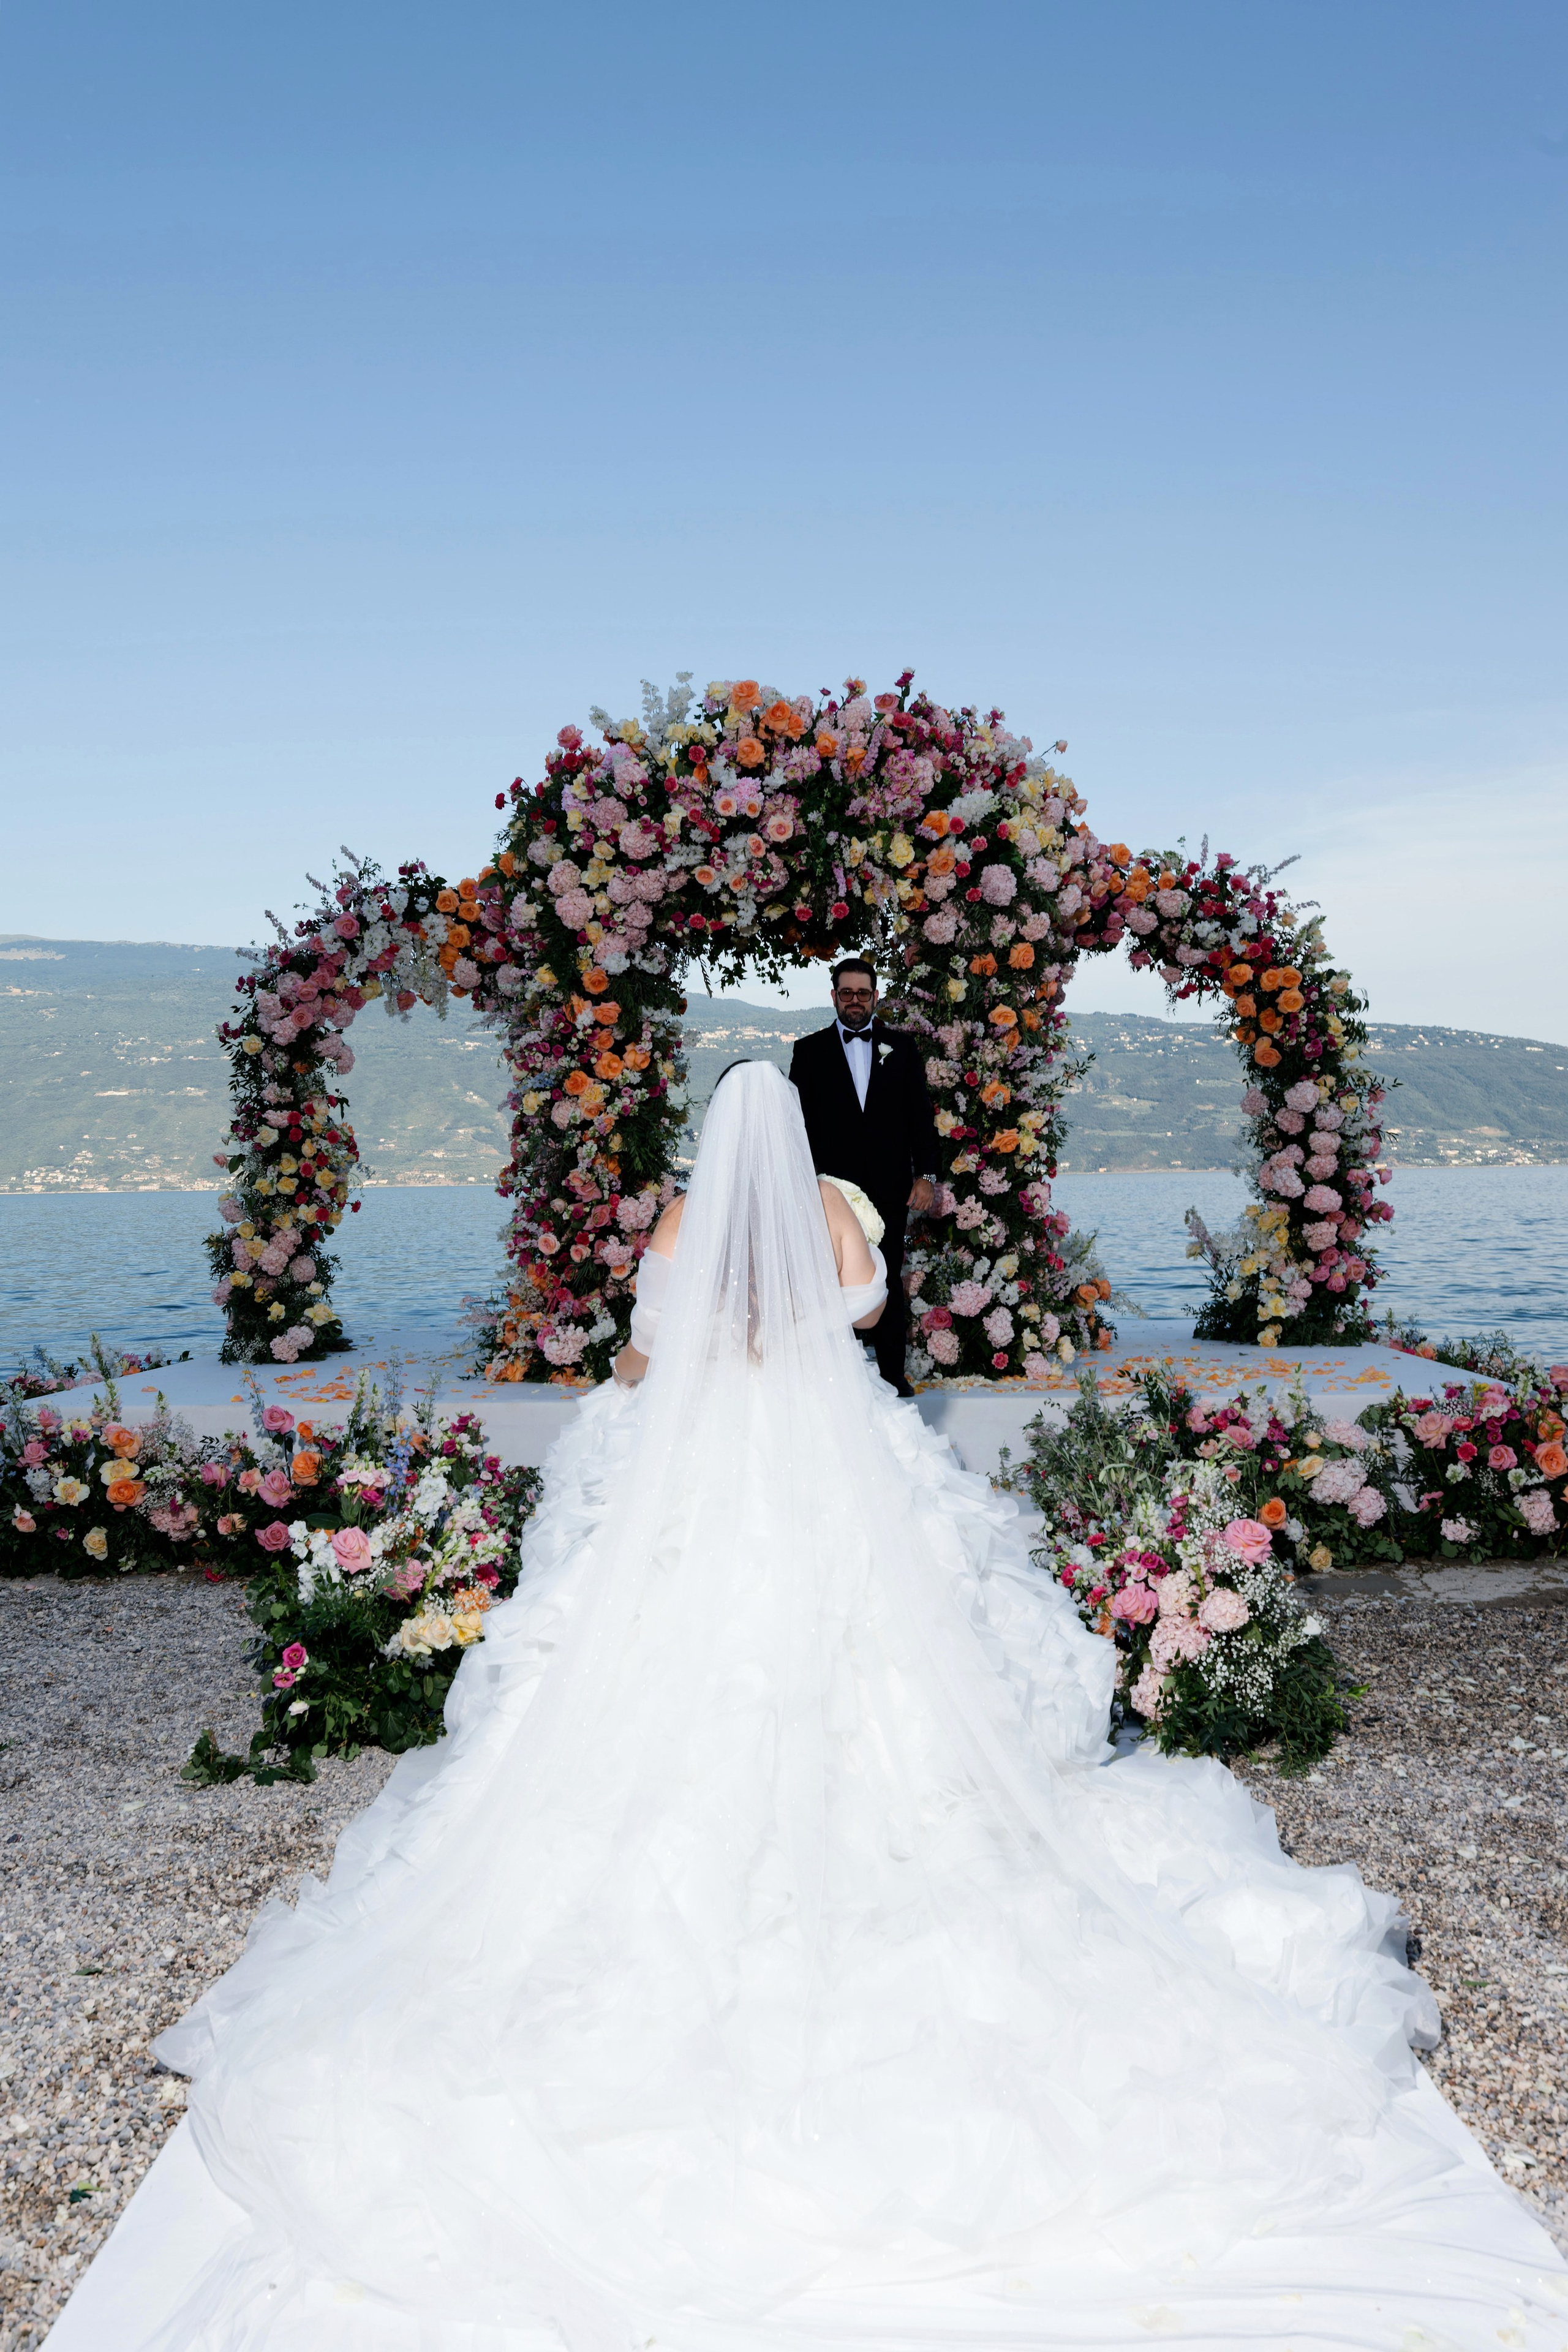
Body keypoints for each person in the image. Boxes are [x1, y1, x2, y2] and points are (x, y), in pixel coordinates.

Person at [50, 1063, 1566, 2352]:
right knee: (889, 1676)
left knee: (650, 1681)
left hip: (699, 1475)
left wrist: (639, 1415)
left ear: (712, 1146)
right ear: (805, 1145)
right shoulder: (846, 1216)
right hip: (836, 1463)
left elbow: (645, 1353)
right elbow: (857, 1320)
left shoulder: (676, 1221)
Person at [787, 958, 937, 1395]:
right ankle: (840, 1383)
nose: (855, 1001)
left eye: (863, 993)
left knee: (889, 1278)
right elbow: (797, 1125)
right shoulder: (809, 1051)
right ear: (834, 996)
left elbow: (919, 1119)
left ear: (876, 997)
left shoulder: (902, 1048)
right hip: (831, 1195)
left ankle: (893, 1377)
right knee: (832, 1283)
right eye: (847, 993)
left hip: (891, 1189)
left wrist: (925, 1174)